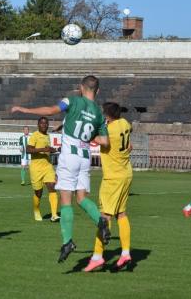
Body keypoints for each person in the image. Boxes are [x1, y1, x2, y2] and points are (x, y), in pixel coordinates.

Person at [11, 75, 109, 263]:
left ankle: (67, 242)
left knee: (66, 201)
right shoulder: (98, 112)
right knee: (81, 198)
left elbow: (50, 110)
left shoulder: (72, 100)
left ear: (81, 87)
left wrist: (24, 109)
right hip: (85, 156)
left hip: (69, 156)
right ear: (98, 91)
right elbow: (105, 141)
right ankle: (101, 220)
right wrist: (87, 137)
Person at [84, 102, 133, 272]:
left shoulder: (109, 131)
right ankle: (125, 252)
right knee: (121, 214)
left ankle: (97, 256)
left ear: (107, 116)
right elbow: (129, 141)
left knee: (104, 217)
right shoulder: (125, 123)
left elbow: (94, 138)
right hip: (126, 173)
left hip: (113, 178)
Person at [27, 117, 60, 222]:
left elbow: (46, 150)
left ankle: (54, 215)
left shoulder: (47, 136)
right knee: (38, 193)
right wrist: (43, 149)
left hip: (47, 166)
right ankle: (36, 210)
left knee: (52, 187)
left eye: (46, 123)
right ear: (38, 125)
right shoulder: (35, 136)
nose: (44, 125)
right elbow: (28, 149)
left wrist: (52, 150)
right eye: (42, 123)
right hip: (36, 168)